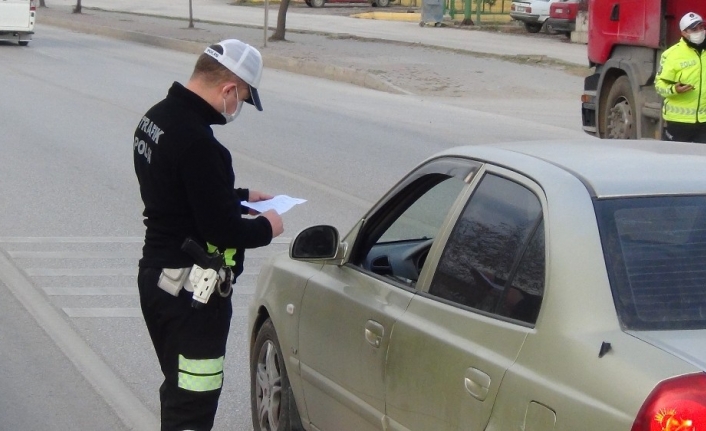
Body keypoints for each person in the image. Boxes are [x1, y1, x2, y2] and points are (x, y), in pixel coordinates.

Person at [133, 38, 284, 431]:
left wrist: (236, 196)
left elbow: (178, 191)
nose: (237, 109)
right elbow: (222, 229)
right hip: (191, 297)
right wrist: (268, 226)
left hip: (157, 278)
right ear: (228, 89)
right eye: (243, 99)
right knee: (193, 405)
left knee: (177, 389)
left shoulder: (156, 118)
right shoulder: (200, 143)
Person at [655, 12, 706, 143]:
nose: (699, 31)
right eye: (694, 29)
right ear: (684, 33)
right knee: (675, 161)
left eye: (701, 27)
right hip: (678, 122)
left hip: (704, 122)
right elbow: (659, 86)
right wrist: (674, 89)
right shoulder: (672, 55)